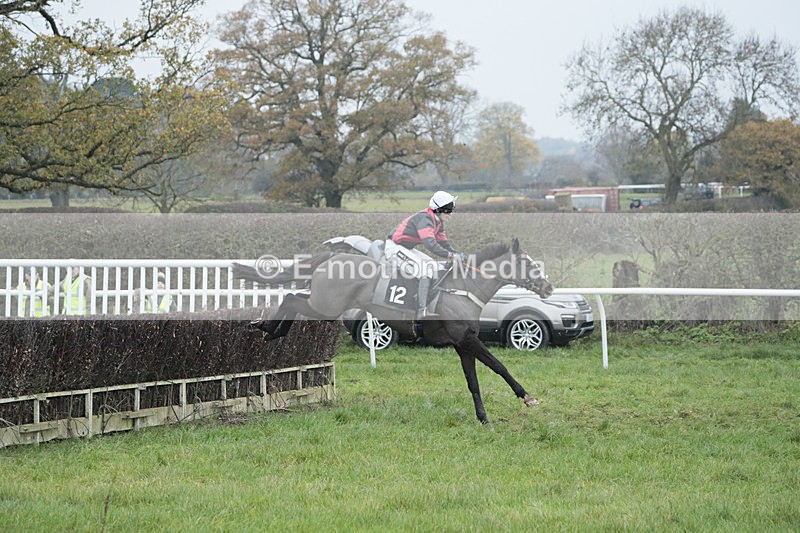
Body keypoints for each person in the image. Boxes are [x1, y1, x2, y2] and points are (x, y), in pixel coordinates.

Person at [385, 190, 466, 319]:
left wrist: (457, 255)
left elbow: (444, 243)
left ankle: (424, 300)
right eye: (448, 209)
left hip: (406, 248)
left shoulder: (439, 223)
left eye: (452, 209)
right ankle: (421, 311)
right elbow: (430, 245)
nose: (451, 213)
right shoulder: (425, 219)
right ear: (438, 209)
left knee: (434, 267)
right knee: (424, 271)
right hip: (394, 248)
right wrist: (451, 256)